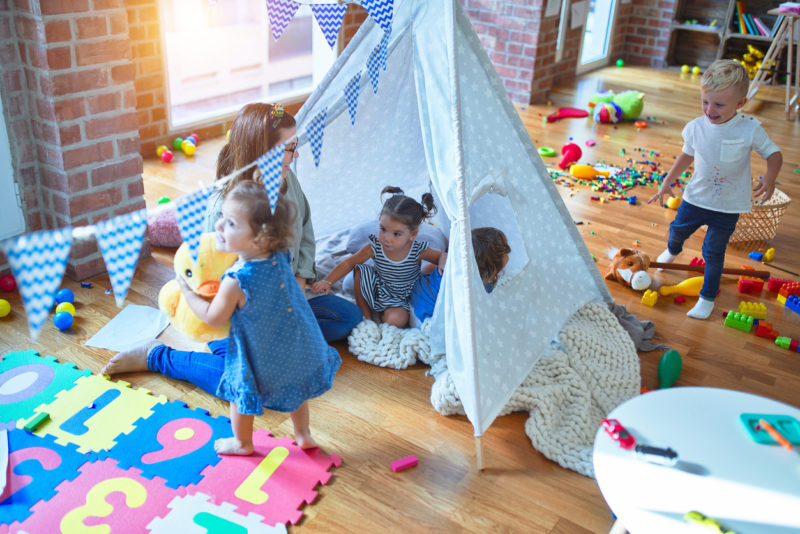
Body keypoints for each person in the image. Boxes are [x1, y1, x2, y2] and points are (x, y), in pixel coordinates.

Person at [102, 103, 360, 393]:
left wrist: (299, 282)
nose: (295, 154)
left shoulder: (289, 183)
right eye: (289, 148)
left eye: (294, 146)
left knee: (347, 318)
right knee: (250, 385)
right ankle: (158, 357)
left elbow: (306, 233)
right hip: (235, 311)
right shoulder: (223, 209)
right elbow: (211, 278)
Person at [177, 179, 340, 454]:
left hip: (259, 358)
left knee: (238, 397)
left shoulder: (236, 280)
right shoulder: (280, 254)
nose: (218, 226)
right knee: (298, 392)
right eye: (222, 219)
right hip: (296, 349)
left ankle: (242, 443)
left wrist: (186, 290)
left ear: (260, 238)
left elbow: (213, 317)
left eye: (230, 223)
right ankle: (303, 435)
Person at [647, 59, 782, 320]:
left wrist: (770, 178)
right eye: (705, 102)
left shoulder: (750, 128)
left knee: (713, 252)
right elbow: (686, 156)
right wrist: (667, 182)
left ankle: (706, 298)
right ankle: (673, 251)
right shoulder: (696, 127)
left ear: (740, 103)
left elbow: (773, 153)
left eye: (719, 104)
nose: (710, 109)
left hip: (728, 206)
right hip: (695, 198)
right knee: (677, 231)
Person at [311, 186, 447, 328]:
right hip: (380, 292)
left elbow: (442, 255)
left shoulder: (418, 249)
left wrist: (442, 262)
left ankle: (389, 314)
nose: (387, 238)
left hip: (405, 295)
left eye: (396, 234)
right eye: (383, 229)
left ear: (412, 235)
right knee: (360, 269)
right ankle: (367, 317)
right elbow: (348, 263)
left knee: (397, 320)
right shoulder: (375, 247)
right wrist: (328, 281)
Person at [409, 227, 511, 325]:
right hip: (426, 312)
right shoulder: (478, 287)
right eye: (506, 250)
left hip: (418, 291)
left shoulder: (454, 263)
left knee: (432, 270)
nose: (510, 251)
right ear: (491, 267)